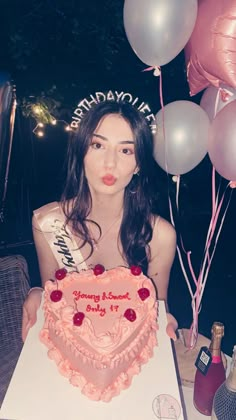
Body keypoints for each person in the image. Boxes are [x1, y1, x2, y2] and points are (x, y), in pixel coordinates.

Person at [22, 99, 178, 342]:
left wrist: (165, 319)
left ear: (138, 165)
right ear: (81, 150)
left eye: (126, 150)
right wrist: (36, 293)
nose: (110, 163)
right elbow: (54, 304)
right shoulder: (48, 223)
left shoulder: (159, 235)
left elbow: (157, 313)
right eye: (98, 145)